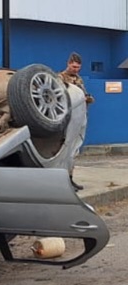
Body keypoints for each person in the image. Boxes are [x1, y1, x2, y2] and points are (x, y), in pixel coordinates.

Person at [58, 52, 94, 191]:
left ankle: (70, 179)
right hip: (67, 118)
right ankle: (63, 181)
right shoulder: (60, 78)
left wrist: (87, 98)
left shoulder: (79, 80)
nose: (75, 69)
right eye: (73, 67)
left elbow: (83, 95)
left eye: (78, 67)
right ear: (68, 64)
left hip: (80, 117)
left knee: (74, 150)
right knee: (65, 150)